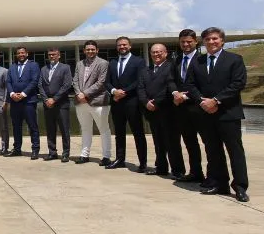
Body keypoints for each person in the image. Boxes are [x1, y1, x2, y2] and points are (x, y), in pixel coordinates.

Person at [185, 27, 249, 202]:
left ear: (222, 41)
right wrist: (202, 101)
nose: (211, 42)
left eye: (214, 39)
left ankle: (240, 186)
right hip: (206, 113)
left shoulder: (234, 59)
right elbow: (190, 85)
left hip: (228, 113)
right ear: (203, 42)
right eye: (207, 39)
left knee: (235, 151)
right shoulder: (198, 61)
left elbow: (238, 83)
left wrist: (216, 100)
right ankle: (220, 183)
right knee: (213, 151)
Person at [138, 44, 183, 178]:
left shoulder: (171, 67)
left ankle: (177, 170)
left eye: (159, 52)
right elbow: (140, 88)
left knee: (172, 142)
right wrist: (146, 102)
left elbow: (169, 87)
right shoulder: (145, 70)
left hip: (167, 110)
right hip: (151, 112)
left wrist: (156, 102)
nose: (156, 55)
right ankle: (161, 168)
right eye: (153, 52)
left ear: (165, 53)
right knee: (158, 141)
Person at [105, 36, 148, 171]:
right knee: (119, 132)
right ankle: (120, 159)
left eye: (124, 45)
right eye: (119, 45)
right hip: (116, 102)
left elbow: (139, 81)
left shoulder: (139, 61)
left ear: (130, 46)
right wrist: (113, 91)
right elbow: (107, 82)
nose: (122, 47)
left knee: (138, 132)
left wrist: (123, 92)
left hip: (132, 102)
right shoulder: (112, 62)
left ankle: (142, 162)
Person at [171, 29, 206, 184]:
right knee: (190, 142)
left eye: (189, 41)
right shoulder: (176, 60)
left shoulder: (202, 60)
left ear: (195, 42)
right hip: (181, 109)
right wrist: (175, 93)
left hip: (199, 107)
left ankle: (213, 176)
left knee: (208, 143)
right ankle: (195, 172)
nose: (185, 44)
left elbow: (204, 84)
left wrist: (185, 96)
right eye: (183, 42)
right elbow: (171, 79)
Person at [73, 41, 112, 165]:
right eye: (88, 49)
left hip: (98, 101)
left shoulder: (103, 63)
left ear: (97, 50)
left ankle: (106, 156)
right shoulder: (79, 64)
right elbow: (75, 81)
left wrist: (85, 94)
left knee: (104, 129)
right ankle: (84, 155)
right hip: (81, 102)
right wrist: (79, 94)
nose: (90, 51)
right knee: (85, 129)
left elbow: (101, 82)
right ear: (84, 50)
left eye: (92, 49)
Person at [37, 48, 73, 162]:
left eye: (54, 55)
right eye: (49, 55)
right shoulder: (43, 69)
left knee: (64, 130)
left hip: (61, 104)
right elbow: (40, 86)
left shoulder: (65, 68)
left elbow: (67, 85)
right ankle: (52, 152)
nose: (51, 56)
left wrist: (55, 99)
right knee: (50, 129)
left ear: (59, 56)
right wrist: (46, 99)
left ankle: (66, 153)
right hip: (48, 104)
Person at [6, 46, 41, 158]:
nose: (20, 55)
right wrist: (12, 94)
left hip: (29, 101)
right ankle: (17, 149)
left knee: (32, 126)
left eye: (22, 53)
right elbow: (8, 82)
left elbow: (34, 81)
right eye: (18, 53)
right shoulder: (12, 67)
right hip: (15, 102)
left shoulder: (33, 65)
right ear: (16, 55)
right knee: (16, 126)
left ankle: (35, 149)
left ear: (26, 54)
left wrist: (23, 94)